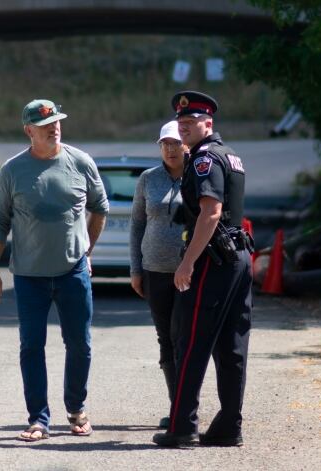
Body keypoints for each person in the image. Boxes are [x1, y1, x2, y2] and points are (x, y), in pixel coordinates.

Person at [0, 99, 109, 442]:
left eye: (57, 121)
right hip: (29, 276)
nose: (54, 127)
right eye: (45, 125)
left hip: (73, 272)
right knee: (31, 346)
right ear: (29, 131)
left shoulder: (80, 162)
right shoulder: (13, 170)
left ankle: (77, 409)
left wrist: (87, 250)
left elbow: (100, 208)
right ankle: (38, 418)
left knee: (79, 344)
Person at [152, 91, 253, 448]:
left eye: (191, 123)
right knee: (231, 346)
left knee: (191, 342)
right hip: (238, 258)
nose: (184, 127)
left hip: (213, 258)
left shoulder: (203, 160)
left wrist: (187, 262)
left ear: (208, 124)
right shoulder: (232, 156)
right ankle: (228, 426)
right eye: (181, 123)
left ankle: (182, 427)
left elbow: (210, 214)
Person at [129, 120, 186, 429]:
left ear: (186, 144)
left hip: (189, 272)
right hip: (154, 270)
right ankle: (177, 405)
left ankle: (187, 404)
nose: (170, 149)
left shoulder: (198, 176)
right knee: (166, 338)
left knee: (186, 338)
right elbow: (137, 224)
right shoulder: (148, 179)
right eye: (165, 143)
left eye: (175, 143)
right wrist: (135, 269)